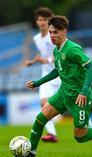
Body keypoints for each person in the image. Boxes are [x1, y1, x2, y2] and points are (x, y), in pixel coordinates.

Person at [15, 16, 92, 157]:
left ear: (64, 32)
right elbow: (58, 70)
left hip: (79, 97)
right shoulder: (57, 50)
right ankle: (30, 152)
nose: (51, 35)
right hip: (63, 93)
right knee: (40, 118)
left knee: (81, 137)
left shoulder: (73, 49)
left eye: (55, 32)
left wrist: (83, 91)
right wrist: (38, 82)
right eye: (50, 32)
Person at [24, 7, 61, 142]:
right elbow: (42, 54)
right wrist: (33, 61)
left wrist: (46, 60)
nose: (42, 22)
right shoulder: (37, 38)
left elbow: (59, 54)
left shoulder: (54, 36)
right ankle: (52, 134)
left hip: (60, 74)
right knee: (44, 104)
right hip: (47, 75)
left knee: (73, 104)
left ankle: (89, 127)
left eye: (45, 19)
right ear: (36, 21)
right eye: (40, 19)